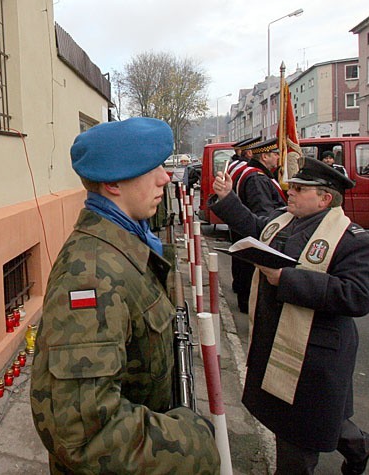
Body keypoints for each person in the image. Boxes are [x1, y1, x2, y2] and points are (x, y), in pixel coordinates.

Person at [30, 117, 220, 474]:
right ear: (113, 183)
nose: (166, 177)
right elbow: (84, 433)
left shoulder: (127, 243)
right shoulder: (91, 274)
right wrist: (192, 442)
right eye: (152, 168)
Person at [209, 157, 369, 475]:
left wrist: (286, 279)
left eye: (300, 189)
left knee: (297, 432)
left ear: (325, 198)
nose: (290, 192)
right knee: (313, 416)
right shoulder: (282, 220)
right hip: (278, 339)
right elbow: (255, 228)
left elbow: (359, 296)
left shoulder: (354, 241)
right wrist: (227, 198)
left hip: (315, 353)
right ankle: (360, 446)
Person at [229, 137, 286, 313]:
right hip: (254, 235)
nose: (278, 158)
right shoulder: (257, 178)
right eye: (275, 154)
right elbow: (263, 212)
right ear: (264, 157)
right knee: (249, 273)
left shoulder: (252, 172)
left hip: (245, 232)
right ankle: (248, 304)